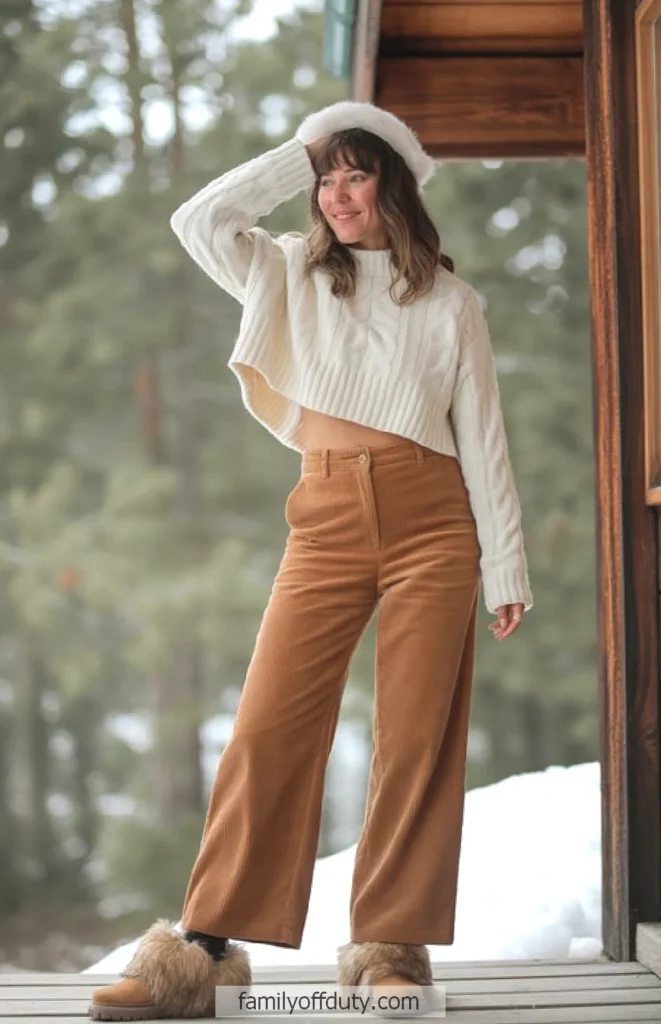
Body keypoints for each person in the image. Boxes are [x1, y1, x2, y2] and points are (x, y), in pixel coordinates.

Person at [89, 100, 532, 1021]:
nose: (335, 194)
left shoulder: (450, 304)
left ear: (393, 186)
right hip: (326, 516)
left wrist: (507, 567)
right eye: (325, 177)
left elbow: (483, 440)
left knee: (414, 741)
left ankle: (390, 949)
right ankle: (202, 949)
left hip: (433, 526)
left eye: (355, 173)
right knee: (265, 727)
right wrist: (307, 146)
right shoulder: (284, 270)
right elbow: (199, 220)